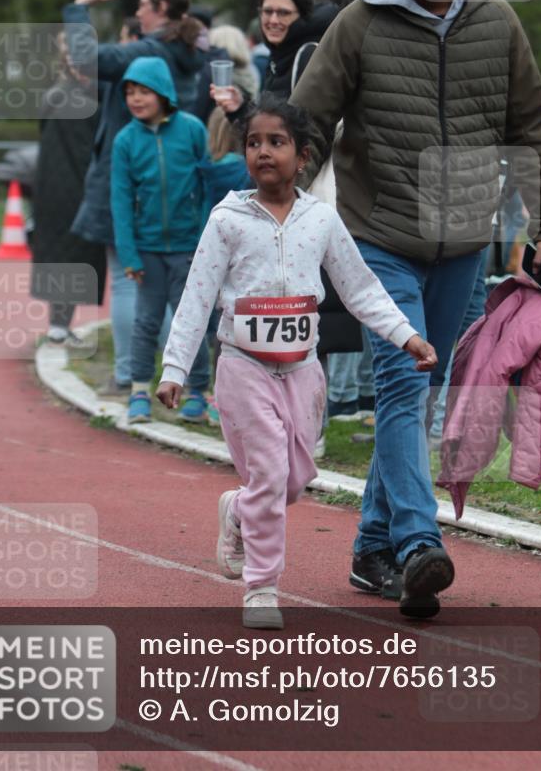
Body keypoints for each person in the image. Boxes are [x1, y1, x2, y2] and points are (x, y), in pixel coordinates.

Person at [290, 0, 541, 617]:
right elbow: (308, 124)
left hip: (463, 246)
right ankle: (418, 546)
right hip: (378, 237)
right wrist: (275, 213)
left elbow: (531, 129)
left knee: (425, 390)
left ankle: (371, 549)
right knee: (405, 386)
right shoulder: (357, 25)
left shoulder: (497, 22)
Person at [156, 97, 436, 629]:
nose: (264, 152)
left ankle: (238, 510)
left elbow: (361, 289)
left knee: (293, 480)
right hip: (243, 365)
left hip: (303, 370)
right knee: (270, 471)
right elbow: (196, 296)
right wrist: (175, 368)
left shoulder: (322, 219)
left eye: (276, 142)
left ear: (302, 156)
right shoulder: (227, 220)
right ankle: (261, 587)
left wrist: (408, 337)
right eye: (254, 143)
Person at [65, 0, 206, 396]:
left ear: (161, 8)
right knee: (162, 289)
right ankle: (177, 375)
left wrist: (78, 9)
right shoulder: (185, 52)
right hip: (170, 189)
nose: (138, 11)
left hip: (132, 176)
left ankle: (131, 374)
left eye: (144, 4)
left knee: (130, 280)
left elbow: (84, 54)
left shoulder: (148, 51)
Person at [110, 56, 214, 425]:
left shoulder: (191, 130)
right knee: (146, 322)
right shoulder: (125, 141)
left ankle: (199, 392)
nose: (136, 99)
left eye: (143, 91)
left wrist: (205, 241)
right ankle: (139, 390)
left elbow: (207, 187)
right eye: (129, 92)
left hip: (189, 247)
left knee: (191, 324)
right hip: (148, 250)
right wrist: (129, 254)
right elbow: (120, 200)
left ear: (163, 92)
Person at [31, 33, 106, 344]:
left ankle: (58, 323)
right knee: (75, 254)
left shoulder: (54, 94)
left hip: (49, 187)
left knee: (58, 253)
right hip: (77, 188)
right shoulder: (87, 100)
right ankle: (60, 324)